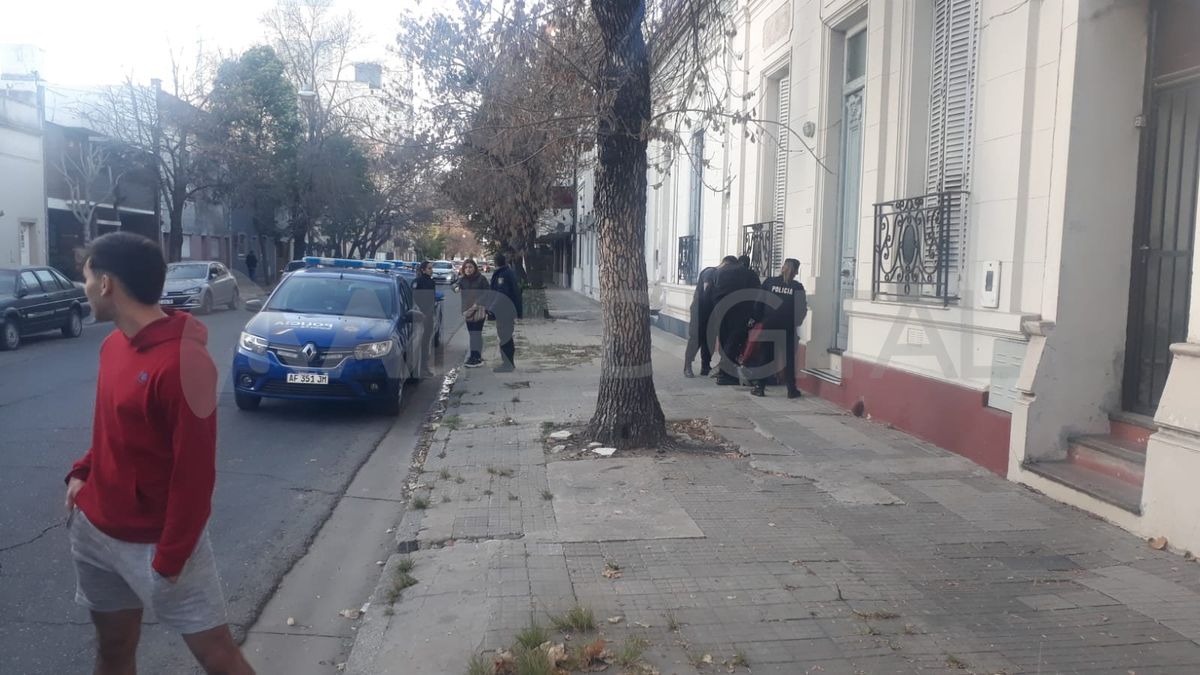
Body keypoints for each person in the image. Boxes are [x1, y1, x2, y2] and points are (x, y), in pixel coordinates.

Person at [64, 232, 254, 675]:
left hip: (158, 545)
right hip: (95, 532)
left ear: (107, 283)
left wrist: (170, 559)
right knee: (113, 647)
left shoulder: (186, 363)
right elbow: (115, 428)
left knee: (217, 655)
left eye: (88, 278)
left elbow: (195, 476)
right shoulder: (112, 345)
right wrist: (83, 470)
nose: (85, 288)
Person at [748, 258, 807, 398]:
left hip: (769, 325)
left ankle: (759, 388)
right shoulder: (797, 287)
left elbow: (759, 303)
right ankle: (791, 390)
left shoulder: (770, 282)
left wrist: (757, 319)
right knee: (789, 359)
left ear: (782, 268)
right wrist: (796, 322)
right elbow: (801, 309)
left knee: (765, 356)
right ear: (796, 271)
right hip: (787, 327)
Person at [712, 254, 762, 385]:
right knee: (733, 341)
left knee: (725, 340)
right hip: (739, 312)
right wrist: (754, 315)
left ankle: (726, 372)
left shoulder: (721, 272)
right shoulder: (749, 274)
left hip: (720, 310)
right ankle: (724, 375)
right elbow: (757, 295)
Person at [684, 263, 720, 378]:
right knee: (696, 338)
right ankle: (687, 366)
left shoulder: (718, 274)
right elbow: (705, 291)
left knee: (709, 340)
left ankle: (705, 366)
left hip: (710, 312)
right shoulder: (711, 271)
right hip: (699, 312)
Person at [488, 253, 522, 373]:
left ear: (496, 262)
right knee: (506, 336)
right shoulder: (508, 272)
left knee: (505, 337)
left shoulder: (503, 275)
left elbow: (501, 294)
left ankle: (507, 364)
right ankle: (508, 363)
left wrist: (492, 308)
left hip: (504, 311)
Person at [453, 258, 490, 368]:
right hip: (467, 310)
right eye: (466, 267)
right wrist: (456, 287)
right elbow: (454, 286)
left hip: (478, 309)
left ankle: (476, 357)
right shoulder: (462, 279)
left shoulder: (481, 279)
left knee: (476, 333)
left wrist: (478, 302)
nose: (468, 269)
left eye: (470, 267)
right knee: (472, 333)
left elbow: (487, 292)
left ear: (475, 268)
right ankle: (474, 356)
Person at [413, 260, 438, 378]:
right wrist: (422, 313)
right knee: (419, 343)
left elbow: (432, 299)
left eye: (431, 268)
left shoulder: (432, 282)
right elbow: (415, 299)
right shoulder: (417, 282)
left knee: (425, 343)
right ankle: (420, 368)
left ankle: (423, 367)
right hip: (419, 317)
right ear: (423, 270)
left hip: (427, 316)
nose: (431, 270)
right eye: (429, 268)